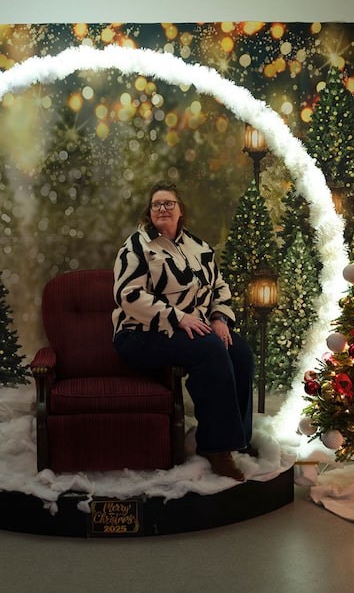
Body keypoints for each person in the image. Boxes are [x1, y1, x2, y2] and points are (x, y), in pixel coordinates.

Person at [112, 180, 255, 481]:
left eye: (169, 203)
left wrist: (219, 318)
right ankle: (216, 448)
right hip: (140, 333)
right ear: (148, 212)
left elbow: (219, 286)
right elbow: (129, 296)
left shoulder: (199, 247)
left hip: (192, 326)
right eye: (156, 204)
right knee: (211, 351)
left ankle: (238, 438)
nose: (162, 208)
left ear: (180, 210)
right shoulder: (137, 247)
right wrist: (177, 317)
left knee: (239, 351)